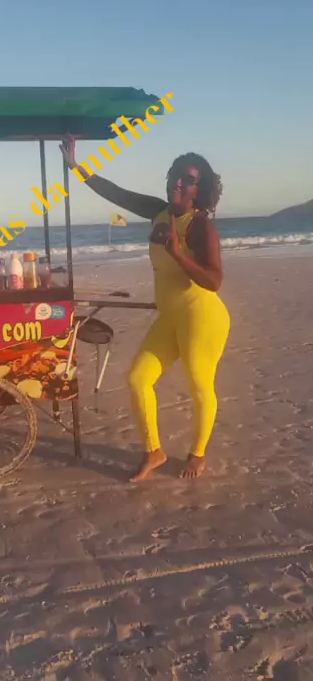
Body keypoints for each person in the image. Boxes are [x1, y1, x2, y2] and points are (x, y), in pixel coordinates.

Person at [59, 138, 230, 481]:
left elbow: (214, 280)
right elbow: (116, 193)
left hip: (202, 317)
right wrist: (76, 166)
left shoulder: (201, 227)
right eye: (174, 175)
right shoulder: (157, 211)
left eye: (187, 179)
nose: (177, 183)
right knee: (138, 378)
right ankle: (154, 451)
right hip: (171, 317)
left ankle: (197, 454)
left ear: (198, 190)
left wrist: (178, 254)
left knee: (199, 384)